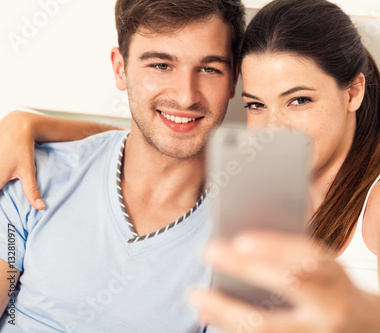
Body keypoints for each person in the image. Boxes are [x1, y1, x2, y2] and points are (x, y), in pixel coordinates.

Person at [0, 0, 380, 332]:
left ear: (353, 91)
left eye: (300, 100)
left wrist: (357, 313)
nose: (274, 129)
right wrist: (34, 124)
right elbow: (159, 139)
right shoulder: (262, 189)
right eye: (256, 105)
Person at [0, 0, 244, 331]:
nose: (186, 96)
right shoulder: (33, 174)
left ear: (233, 82)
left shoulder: (243, 241)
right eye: (161, 65)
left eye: (209, 69)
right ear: (120, 69)